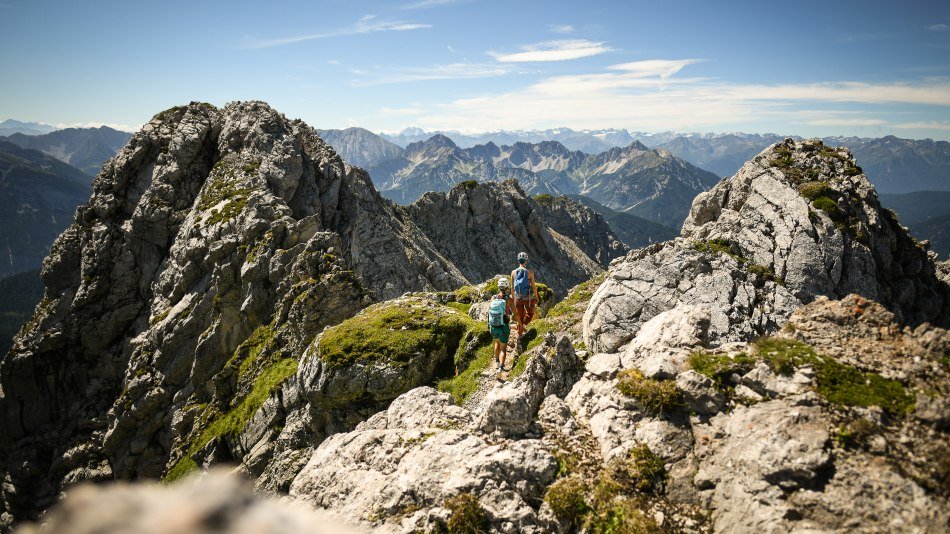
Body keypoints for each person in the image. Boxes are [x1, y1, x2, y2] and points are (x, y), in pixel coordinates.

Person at [488, 277, 514, 372]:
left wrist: (489, 325)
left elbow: (489, 311)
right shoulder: (509, 300)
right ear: (507, 287)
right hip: (504, 326)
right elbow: (516, 313)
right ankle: (501, 368)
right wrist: (520, 323)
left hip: (493, 326)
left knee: (497, 343)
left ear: (498, 287)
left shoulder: (493, 298)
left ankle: (497, 362)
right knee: (503, 349)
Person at [510, 251, 538, 340]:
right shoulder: (530, 272)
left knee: (520, 317)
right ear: (526, 261)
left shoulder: (513, 272)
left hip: (517, 298)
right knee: (530, 313)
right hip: (527, 298)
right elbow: (533, 286)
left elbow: (512, 288)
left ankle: (519, 334)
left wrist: (513, 300)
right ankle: (523, 325)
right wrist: (536, 296)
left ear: (519, 261)